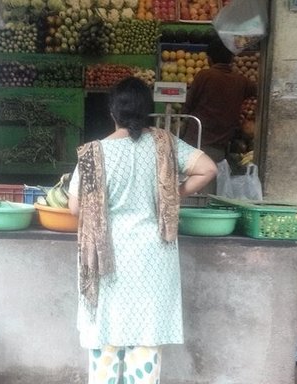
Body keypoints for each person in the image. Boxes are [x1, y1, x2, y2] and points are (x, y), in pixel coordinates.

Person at [67, 77, 217, 383]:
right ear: (147, 111)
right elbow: (209, 169)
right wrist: (173, 193)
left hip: (107, 258)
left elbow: (75, 208)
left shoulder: (93, 154)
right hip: (153, 258)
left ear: (112, 113)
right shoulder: (166, 143)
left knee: (106, 338)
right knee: (145, 341)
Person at [181, 33, 258, 193]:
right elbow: (258, 90)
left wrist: (181, 132)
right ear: (231, 59)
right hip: (219, 146)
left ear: (209, 59)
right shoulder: (240, 81)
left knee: (191, 189)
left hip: (196, 140)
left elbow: (188, 106)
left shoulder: (204, 76)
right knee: (210, 189)